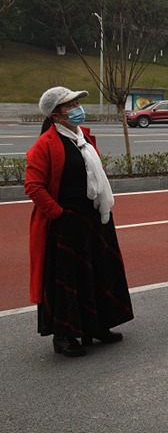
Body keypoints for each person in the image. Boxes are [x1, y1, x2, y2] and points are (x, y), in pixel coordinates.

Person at [25, 86, 133, 358]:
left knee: (100, 269)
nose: (77, 108)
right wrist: (59, 214)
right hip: (66, 221)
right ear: (56, 115)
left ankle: (97, 327)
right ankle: (64, 336)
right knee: (68, 277)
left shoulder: (83, 137)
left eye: (76, 103)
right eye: (70, 105)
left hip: (96, 215)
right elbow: (34, 187)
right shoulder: (44, 146)